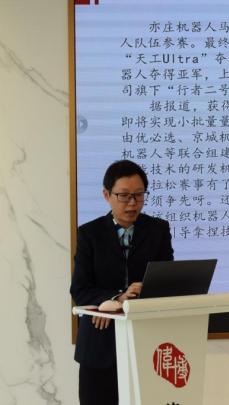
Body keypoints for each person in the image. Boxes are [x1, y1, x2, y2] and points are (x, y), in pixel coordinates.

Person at [70, 160, 174, 405]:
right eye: (124, 195)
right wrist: (114, 300)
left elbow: (167, 280)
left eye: (139, 195)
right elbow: (80, 289)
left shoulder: (158, 230)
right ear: (107, 195)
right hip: (99, 345)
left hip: (147, 343)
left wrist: (141, 291)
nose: (132, 203)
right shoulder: (89, 234)